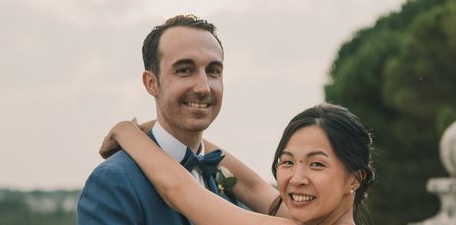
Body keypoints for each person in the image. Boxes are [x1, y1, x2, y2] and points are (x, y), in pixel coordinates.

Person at [78, 14, 251, 224]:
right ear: (151, 83)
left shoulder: (227, 179)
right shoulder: (113, 181)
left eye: (213, 71)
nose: (204, 87)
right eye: (185, 70)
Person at [103, 103, 376, 225]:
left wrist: (124, 131)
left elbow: (181, 191)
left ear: (355, 178)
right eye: (287, 162)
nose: (297, 178)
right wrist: (164, 131)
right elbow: (253, 187)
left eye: (317, 165)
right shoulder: (305, 216)